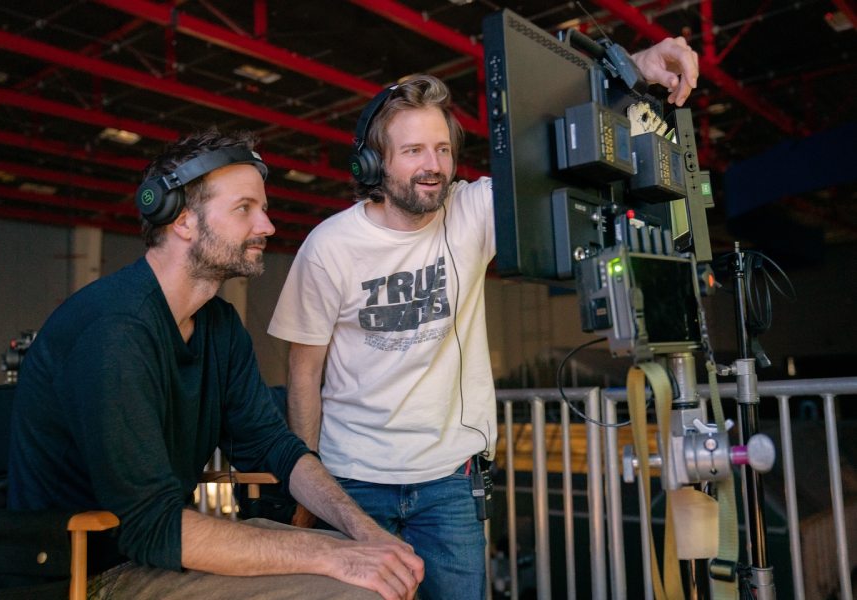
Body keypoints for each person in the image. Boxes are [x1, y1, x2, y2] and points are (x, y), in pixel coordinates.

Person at [267, 37, 699, 599]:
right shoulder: (329, 247)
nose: (433, 166)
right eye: (413, 151)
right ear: (374, 163)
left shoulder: (472, 210)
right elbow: (303, 373)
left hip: (450, 483)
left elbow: (559, 152)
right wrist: (308, 486)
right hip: (353, 481)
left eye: (443, 149)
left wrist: (628, 74)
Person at [7, 129, 424, 600]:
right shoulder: (116, 331)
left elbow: (274, 447)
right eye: (245, 208)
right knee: (361, 592)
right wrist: (334, 556)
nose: (267, 226)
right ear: (183, 220)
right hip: (90, 569)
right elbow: (151, 527)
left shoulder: (219, 325)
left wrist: (365, 533)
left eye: (263, 208)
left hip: (162, 548)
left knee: (387, 569)